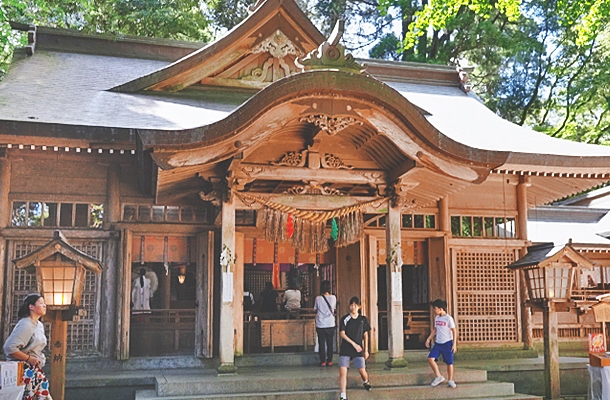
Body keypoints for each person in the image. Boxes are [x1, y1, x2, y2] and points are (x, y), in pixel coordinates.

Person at [4, 293, 52, 400]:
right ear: (31, 307)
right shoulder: (25, 324)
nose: (45, 305)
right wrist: (30, 359)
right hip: (24, 371)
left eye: (44, 303)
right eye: (41, 303)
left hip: (36, 370)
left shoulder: (39, 325)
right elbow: (9, 347)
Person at [338, 296, 371, 400]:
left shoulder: (363, 320)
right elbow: (342, 334)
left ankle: (365, 381)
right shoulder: (345, 319)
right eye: (351, 305)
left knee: (362, 370)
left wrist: (366, 350)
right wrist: (353, 344)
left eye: (355, 305)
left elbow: (366, 335)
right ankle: (343, 395)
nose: (353, 307)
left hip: (359, 350)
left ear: (359, 307)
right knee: (343, 371)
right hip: (346, 348)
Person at [425, 298, 457, 389]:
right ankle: (438, 376)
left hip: (447, 343)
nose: (434, 310)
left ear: (441, 309)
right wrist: (429, 339)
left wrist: (454, 344)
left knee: (449, 362)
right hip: (438, 343)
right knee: (431, 358)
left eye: (435, 308)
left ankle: (450, 379)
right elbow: (435, 330)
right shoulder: (437, 318)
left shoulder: (449, 319)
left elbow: (454, 331)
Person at [314, 280, 336, 367]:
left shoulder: (318, 298)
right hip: (330, 323)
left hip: (320, 324)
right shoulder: (333, 297)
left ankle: (323, 361)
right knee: (330, 343)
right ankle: (329, 361)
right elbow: (333, 308)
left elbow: (315, 309)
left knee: (321, 343)